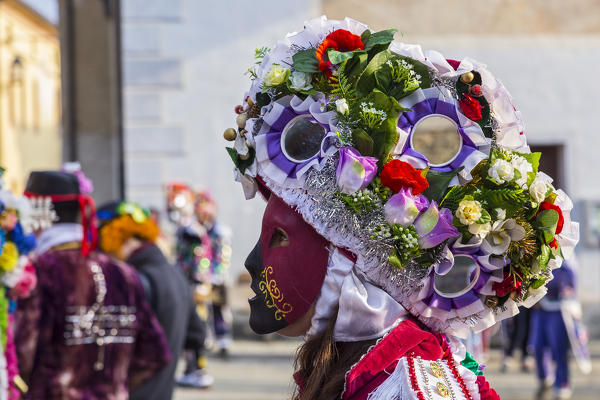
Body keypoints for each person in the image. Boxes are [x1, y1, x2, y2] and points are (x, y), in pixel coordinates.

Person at [223, 16, 579, 399]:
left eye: (278, 235)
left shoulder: (407, 387)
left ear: (348, 268)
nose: (252, 262)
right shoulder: (363, 368)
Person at [16, 170, 171, 399]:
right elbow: (155, 354)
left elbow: (21, 355)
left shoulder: (38, 272)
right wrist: (113, 386)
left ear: (37, 215)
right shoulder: (124, 273)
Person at [96, 200, 206, 400]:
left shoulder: (133, 280)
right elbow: (197, 335)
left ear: (117, 237)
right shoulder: (176, 274)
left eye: (104, 246)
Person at [167, 183, 214, 388]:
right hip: (187, 285)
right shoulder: (184, 230)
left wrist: (197, 284)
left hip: (193, 287)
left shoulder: (191, 231)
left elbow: (199, 260)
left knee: (196, 328)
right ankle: (190, 369)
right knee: (188, 329)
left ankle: (198, 370)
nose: (172, 213)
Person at [194, 189, 233, 358]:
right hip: (202, 277)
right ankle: (207, 338)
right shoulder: (198, 231)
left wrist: (216, 274)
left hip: (217, 278)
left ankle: (223, 340)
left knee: (220, 309)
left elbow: (223, 255)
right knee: (204, 309)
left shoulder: (220, 231)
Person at [530, 261, 576, 400]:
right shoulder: (538, 258)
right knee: (537, 347)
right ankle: (545, 378)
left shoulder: (566, 265)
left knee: (559, 349)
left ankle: (562, 383)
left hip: (558, 310)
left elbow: (569, 286)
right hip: (540, 311)